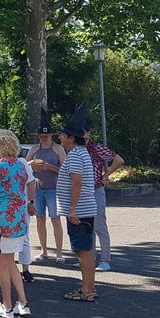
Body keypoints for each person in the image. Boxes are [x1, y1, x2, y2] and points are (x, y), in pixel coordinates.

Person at [0, 129, 34, 318]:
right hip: (19, 220)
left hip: (1, 221)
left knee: (1, 264)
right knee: (11, 262)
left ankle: (6, 305)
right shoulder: (22, 166)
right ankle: (22, 303)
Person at [58, 104, 99, 302]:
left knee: (82, 251)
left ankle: (87, 290)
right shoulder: (82, 153)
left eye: (63, 135)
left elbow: (76, 181)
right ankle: (89, 288)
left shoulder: (75, 154)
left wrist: (72, 209)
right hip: (85, 209)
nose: (60, 138)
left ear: (72, 137)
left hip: (79, 211)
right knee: (86, 250)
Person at [28, 108, 67, 264]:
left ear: (51, 136)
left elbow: (65, 171)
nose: (44, 138)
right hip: (37, 190)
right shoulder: (34, 149)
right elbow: (24, 166)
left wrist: (49, 167)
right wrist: (33, 165)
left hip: (53, 189)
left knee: (55, 219)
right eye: (42, 136)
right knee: (40, 219)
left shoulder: (58, 149)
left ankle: (59, 253)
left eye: (47, 136)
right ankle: (44, 251)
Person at [84, 121, 125, 272]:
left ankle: (105, 259)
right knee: (87, 226)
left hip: (95, 189)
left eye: (85, 131)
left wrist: (105, 175)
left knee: (99, 224)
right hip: (83, 191)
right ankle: (90, 258)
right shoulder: (75, 149)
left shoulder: (96, 148)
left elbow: (118, 159)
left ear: (88, 133)